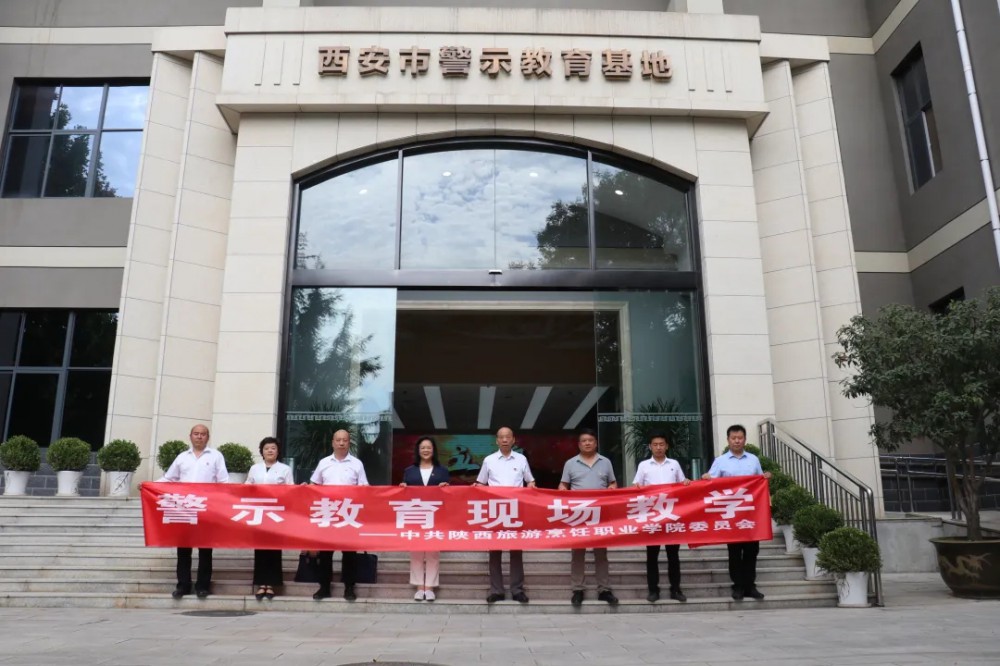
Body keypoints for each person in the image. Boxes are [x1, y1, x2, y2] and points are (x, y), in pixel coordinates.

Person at [701, 424, 773, 601]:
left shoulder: (753, 460)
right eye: (733, 438)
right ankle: (738, 586)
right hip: (731, 513)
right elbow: (710, 483)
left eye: (740, 438)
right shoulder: (720, 461)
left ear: (745, 440)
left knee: (752, 551)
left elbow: (759, 483)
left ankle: (750, 586)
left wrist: (765, 478)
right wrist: (706, 478)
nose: (737, 441)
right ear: (728, 440)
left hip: (750, 513)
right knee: (734, 552)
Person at [159, 423, 229, 599]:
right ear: (190, 436)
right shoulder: (182, 457)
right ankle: (183, 585)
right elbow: (169, 478)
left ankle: (203, 586)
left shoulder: (216, 456)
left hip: (207, 508)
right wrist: (148, 485)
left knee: (205, 549)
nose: (199, 436)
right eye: (196, 434)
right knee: (183, 549)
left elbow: (224, 481)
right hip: (185, 508)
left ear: (208, 437)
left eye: (203, 434)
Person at [474, 426, 536, 603]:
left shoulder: (521, 459)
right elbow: (480, 483)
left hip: (516, 510)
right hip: (496, 510)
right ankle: (496, 590)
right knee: (495, 551)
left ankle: (517, 590)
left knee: (516, 551)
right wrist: (474, 489)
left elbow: (530, 481)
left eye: (508, 437)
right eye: (501, 437)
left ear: (513, 440)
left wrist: (532, 488)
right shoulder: (489, 460)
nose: (505, 440)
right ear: (497, 441)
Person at [559, 428, 618, 607]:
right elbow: (563, 485)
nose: (587, 443)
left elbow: (613, 483)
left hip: (600, 514)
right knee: (578, 553)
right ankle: (578, 589)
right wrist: (562, 492)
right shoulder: (570, 463)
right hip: (579, 515)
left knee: (601, 553)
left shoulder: (605, 462)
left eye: (590, 440)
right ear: (579, 444)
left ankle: (604, 590)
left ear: (595, 443)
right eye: (584, 441)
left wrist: (612, 488)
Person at [310, 428, 369, 601]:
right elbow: (314, 485)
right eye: (338, 440)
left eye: (345, 440)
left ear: (349, 442)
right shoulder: (324, 463)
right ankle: (324, 587)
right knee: (325, 553)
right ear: (333, 443)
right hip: (328, 513)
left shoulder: (357, 464)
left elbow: (364, 488)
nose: (341, 443)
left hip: (349, 513)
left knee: (349, 553)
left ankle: (349, 587)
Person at [633, 433, 691, 603]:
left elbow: (683, 484)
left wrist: (686, 483)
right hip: (652, 516)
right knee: (652, 556)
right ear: (650, 447)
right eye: (655, 444)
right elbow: (636, 486)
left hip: (671, 515)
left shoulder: (674, 464)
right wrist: (637, 487)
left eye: (661, 444)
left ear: (667, 446)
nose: (658, 447)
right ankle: (653, 590)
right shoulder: (644, 465)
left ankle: (676, 589)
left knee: (673, 555)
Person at [400, 436, 451, 601]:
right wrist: (403, 488)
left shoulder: (442, 471)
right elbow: (404, 494)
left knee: (433, 553)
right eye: (423, 447)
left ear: (433, 450)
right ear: (418, 450)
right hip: (415, 515)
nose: (426, 450)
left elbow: (449, 495)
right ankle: (419, 587)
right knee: (415, 552)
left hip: (435, 516)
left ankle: (429, 588)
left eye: (429, 447)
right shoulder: (409, 471)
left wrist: (446, 488)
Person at [246, 436, 293, 600]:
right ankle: (261, 584)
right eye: (266, 448)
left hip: (276, 514)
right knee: (260, 549)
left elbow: (290, 490)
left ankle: (271, 584)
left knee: (273, 549)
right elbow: (247, 486)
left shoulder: (285, 469)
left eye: (273, 448)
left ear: (278, 451)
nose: (270, 451)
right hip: (258, 514)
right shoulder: (254, 468)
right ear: (262, 451)